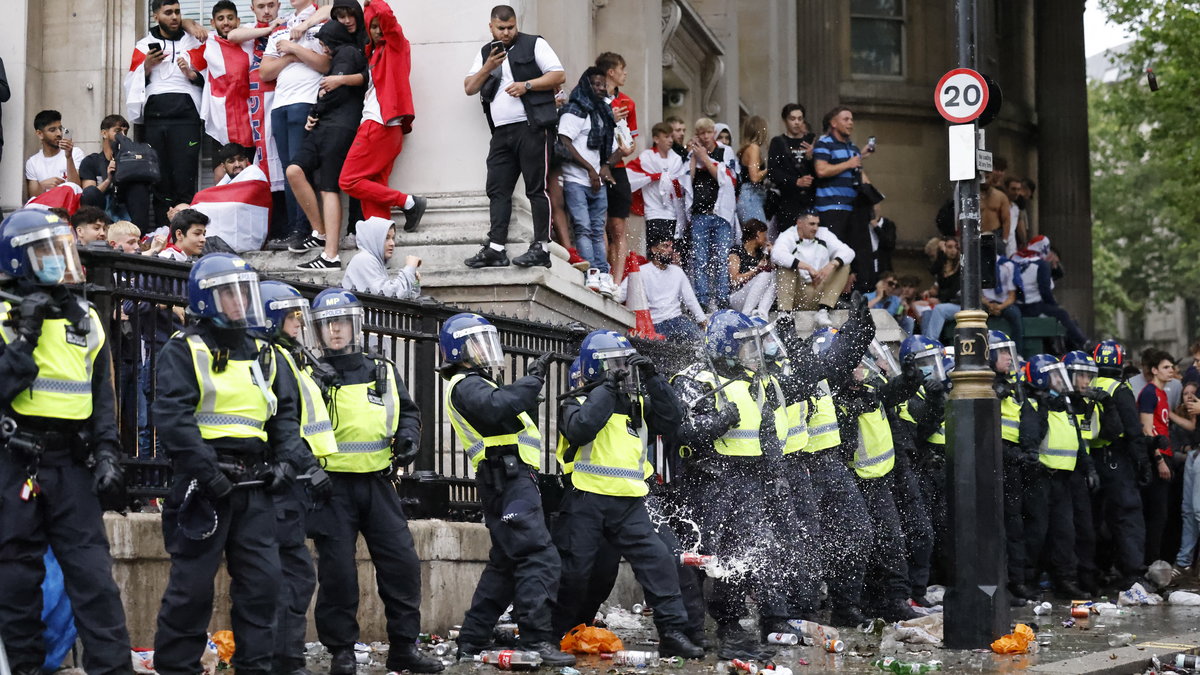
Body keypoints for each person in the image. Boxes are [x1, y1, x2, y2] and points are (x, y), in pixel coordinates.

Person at [151, 253, 312, 673]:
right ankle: (177, 668)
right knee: (191, 589)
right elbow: (173, 419)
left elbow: (285, 418)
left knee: (263, 587)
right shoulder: (186, 348)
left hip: (256, 486)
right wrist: (207, 473)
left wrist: (286, 465)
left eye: (244, 292)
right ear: (206, 300)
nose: (240, 301)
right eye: (229, 293)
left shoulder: (266, 351)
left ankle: (255, 668)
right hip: (203, 484)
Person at [0, 209, 131, 673]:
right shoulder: (2, 315)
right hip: (15, 460)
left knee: (95, 580)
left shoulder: (87, 318)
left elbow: (102, 398)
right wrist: (25, 338)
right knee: (17, 580)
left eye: (63, 251)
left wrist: (109, 453)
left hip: (72, 463)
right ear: (19, 260)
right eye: (46, 252)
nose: (59, 261)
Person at [305, 289, 442, 674]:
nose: (335, 330)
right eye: (328, 324)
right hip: (331, 487)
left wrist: (409, 439)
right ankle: (342, 652)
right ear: (319, 330)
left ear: (354, 325)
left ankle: (404, 647)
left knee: (402, 566)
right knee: (338, 576)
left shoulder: (380, 367)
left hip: (379, 484)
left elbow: (408, 412)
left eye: (341, 322)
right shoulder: (312, 374)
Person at [551, 330, 703, 658]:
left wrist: (654, 379)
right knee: (578, 573)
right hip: (587, 499)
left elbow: (672, 419)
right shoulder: (575, 401)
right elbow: (583, 427)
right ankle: (555, 634)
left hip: (630, 502)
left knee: (659, 561)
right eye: (614, 364)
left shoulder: (636, 404)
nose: (622, 370)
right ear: (597, 369)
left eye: (625, 364)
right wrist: (608, 387)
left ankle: (673, 632)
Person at [438, 313, 574, 666]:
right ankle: (536, 639)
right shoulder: (466, 383)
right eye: (475, 343)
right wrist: (532, 381)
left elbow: (500, 414)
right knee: (537, 556)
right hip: (505, 479)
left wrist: (522, 396)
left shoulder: (475, 382)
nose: (485, 350)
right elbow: (497, 407)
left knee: (505, 565)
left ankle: (470, 640)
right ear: (458, 351)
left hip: (508, 479)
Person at [670, 311, 795, 656]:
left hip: (747, 479)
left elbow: (765, 429)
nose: (752, 352)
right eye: (745, 345)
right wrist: (719, 420)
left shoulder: (751, 378)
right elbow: (684, 430)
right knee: (701, 554)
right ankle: (690, 630)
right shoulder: (695, 377)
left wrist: (776, 473)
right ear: (726, 345)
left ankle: (731, 622)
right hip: (707, 480)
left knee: (748, 551)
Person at [256, 281, 336, 675]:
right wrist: (305, 466)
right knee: (291, 573)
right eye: (291, 317)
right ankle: (284, 660)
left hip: (298, 477)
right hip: (284, 476)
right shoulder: (273, 357)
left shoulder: (290, 357)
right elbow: (281, 424)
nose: (298, 325)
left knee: (293, 573)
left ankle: (285, 658)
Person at [463, 4, 566, 269]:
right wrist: (488, 66)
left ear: (516, 24)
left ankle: (541, 247)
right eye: (501, 28)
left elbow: (558, 74)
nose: (507, 33)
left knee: (536, 188)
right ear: (491, 27)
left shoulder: (534, 44)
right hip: (501, 132)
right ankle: (496, 247)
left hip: (531, 126)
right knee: (497, 188)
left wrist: (527, 85)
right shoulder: (487, 52)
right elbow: (469, 87)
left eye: (511, 28)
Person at [830, 330, 923, 621]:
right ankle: (857, 604)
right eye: (855, 365)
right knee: (862, 543)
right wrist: (850, 413)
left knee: (891, 540)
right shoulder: (837, 397)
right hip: (854, 480)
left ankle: (894, 600)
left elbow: (894, 392)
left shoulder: (870, 389)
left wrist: (910, 379)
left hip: (880, 478)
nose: (861, 369)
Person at [336, 0, 429, 231]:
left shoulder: (396, 46)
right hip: (385, 128)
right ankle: (379, 240)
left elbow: (388, 18)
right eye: (373, 27)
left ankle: (408, 203)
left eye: (381, 26)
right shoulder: (375, 52)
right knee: (373, 188)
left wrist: (373, 2)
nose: (378, 31)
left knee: (348, 180)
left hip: (378, 125)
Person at [286, 16, 369, 270]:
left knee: (329, 187)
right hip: (325, 126)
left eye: (323, 43)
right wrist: (316, 111)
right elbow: (327, 91)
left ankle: (330, 255)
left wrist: (318, 106)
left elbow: (336, 91)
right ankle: (319, 233)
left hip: (339, 127)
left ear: (333, 39)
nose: (322, 48)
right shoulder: (341, 56)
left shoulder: (347, 53)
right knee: (294, 170)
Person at [259, 0, 331, 247]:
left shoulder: (321, 21)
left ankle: (308, 230)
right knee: (288, 168)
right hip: (280, 104)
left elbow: (325, 63)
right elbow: (265, 71)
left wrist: (293, 48)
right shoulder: (281, 26)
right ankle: (294, 229)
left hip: (306, 101)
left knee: (300, 168)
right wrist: (290, 57)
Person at [124, 0, 206, 215]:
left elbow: (210, 76)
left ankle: (186, 229)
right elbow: (131, 82)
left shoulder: (193, 42)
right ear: (155, 16)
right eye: (168, 12)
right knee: (159, 178)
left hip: (186, 116)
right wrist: (147, 67)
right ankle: (161, 232)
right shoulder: (144, 45)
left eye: (178, 12)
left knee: (185, 176)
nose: (174, 17)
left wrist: (192, 74)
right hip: (155, 118)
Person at [1019, 354, 1089, 599]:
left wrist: (1086, 465)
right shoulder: (1034, 405)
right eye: (1055, 375)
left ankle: (1065, 579)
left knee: (1064, 532)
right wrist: (1043, 409)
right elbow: (1030, 440)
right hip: (1040, 477)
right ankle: (1029, 579)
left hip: (1063, 478)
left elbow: (1077, 437)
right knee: (1036, 533)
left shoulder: (1066, 403)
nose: (1061, 380)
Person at [558, 67, 625, 295]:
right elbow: (564, 141)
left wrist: (604, 167)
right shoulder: (575, 110)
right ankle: (591, 273)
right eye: (595, 84)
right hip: (576, 180)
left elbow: (616, 150)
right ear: (586, 84)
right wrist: (590, 169)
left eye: (602, 84)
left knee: (598, 229)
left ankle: (603, 274)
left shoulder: (603, 113)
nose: (599, 88)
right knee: (583, 228)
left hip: (597, 182)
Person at [1090, 340, 1150, 591]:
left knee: (1097, 517)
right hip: (1117, 459)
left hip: (1092, 458)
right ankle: (1133, 574)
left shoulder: (1090, 384)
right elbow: (1133, 430)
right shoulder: (1119, 389)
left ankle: (1101, 570)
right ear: (1120, 362)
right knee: (1127, 515)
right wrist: (1143, 463)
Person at [988, 330, 1035, 603]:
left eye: (1010, 352)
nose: (1009, 358)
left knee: (1014, 526)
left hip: (1013, 461)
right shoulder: (984, 382)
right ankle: (1001, 585)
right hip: (995, 460)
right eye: (1003, 352)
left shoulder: (1015, 384)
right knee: (998, 528)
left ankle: (1016, 583)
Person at [683, 117, 737, 312]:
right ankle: (703, 298)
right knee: (700, 258)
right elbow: (687, 180)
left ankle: (723, 297)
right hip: (700, 213)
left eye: (708, 133)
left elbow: (727, 179)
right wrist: (693, 156)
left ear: (713, 132)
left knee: (722, 258)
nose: (706, 137)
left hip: (721, 213)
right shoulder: (693, 153)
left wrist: (705, 158)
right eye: (702, 133)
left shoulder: (725, 151)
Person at [613, 235, 706, 342]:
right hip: (654, 324)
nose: (670, 250)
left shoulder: (677, 271)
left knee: (700, 342)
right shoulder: (641, 272)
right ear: (654, 250)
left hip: (678, 321)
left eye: (671, 247)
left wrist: (703, 322)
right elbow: (620, 295)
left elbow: (690, 300)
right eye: (665, 246)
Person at [770, 209, 853, 325]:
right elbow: (776, 255)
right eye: (811, 224)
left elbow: (849, 252)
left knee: (844, 265)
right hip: (798, 293)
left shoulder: (823, 233)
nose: (815, 228)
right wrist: (806, 267)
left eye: (817, 224)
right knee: (785, 266)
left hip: (820, 290)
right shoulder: (788, 235)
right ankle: (784, 314)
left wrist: (831, 264)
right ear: (799, 223)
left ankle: (824, 310)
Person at [597, 52, 638, 282]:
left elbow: (631, 141)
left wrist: (628, 145)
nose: (626, 74)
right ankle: (603, 274)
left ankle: (617, 281)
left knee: (618, 227)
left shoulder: (628, 102)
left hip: (619, 166)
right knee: (598, 224)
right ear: (611, 72)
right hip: (596, 165)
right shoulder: (593, 98)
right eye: (622, 69)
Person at [1139, 349, 1181, 565]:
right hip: (1157, 458)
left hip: (1167, 454)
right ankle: (1150, 563)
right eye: (1165, 367)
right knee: (1156, 515)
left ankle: (1156, 563)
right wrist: (1159, 460)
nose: (1170, 371)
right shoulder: (1149, 393)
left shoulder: (1163, 394)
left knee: (1163, 514)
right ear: (1154, 370)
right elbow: (1147, 430)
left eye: (1172, 367)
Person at [79, 114, 155, 233]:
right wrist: (108, 180)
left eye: (125, 132)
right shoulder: (91, 161)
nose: (122, 136)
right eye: (118, 131)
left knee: (139, 186)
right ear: (104, 133)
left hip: (127, 212)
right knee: (90, 192)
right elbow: (89, 195)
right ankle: (96, 232)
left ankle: (138, 237)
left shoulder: (132, 160)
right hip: (103, 212)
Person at [627, 121, 685, 247]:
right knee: (656, 250)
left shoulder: (676, 159)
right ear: (656, 139)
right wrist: (652, 177)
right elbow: (630, 175)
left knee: (671, 251)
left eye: (671, 136)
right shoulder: (647, 157)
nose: (670, 140)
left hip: (673, 213)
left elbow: (682, 184)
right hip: (653, 212)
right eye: (666, 137)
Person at [341, 216, 421, 299]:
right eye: (386, 238)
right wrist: (409, 268)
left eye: (393, 238)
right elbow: (389, 295)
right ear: (373, 239)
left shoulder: (375, 261)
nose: (392, 243)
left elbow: (407, 299)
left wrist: (415, 281)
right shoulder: (364, 259)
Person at [767, 103, 816, 230]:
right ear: (785, 120)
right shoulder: (778, 143)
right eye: (792, 119)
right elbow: (773, 172)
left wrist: (812, 158)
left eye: (800, 119)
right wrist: (796, 181)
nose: (797, 122)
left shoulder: (811, 141)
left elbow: (821, 172)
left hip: (810, 201)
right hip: (787, 201)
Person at [25, 110, 84, 198]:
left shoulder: (75, 153)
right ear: (40, 134)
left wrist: (69, 157)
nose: (59, 133)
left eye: (60, 128)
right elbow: (32, 197)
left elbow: (77, 188)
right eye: (52, 130)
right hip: (45, 209)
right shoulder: (32, 162)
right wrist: (43, 185)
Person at [726, 219, 774, 319]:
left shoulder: (761, 254)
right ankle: (746, 315)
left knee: (774, 275)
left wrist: (771, 254)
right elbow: (735, 280)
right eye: (764, 234)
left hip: (754, 299)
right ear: (757, 235)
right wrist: (756, 270)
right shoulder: (736, 251)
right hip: (737, 297)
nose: (766, 238)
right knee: (765, 274)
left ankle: (762, 314)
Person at [920, 236, 962, 341]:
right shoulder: (942, 267)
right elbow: (933, 270)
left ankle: (931, 342)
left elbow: (954, 290)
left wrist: (939, 300)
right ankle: (924, 344)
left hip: (959, 304)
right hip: (946, 303)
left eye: (955, 247)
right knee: (927, 312)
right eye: (949, 247)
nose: (953, 250)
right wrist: (941, 253)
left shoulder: (961, 267)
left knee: (939, 309)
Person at [983, 256, 1024, 348]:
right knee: (977, 315)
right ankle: (980, 350)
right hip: (986, 303)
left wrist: (999, 307)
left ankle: (1017, 352)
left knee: (1015, 314)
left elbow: (1012, 296)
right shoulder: (979, 264)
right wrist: (989, 305)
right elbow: (977, 293)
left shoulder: (1009, 265)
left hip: (1004, 303)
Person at [736, 116, 769, 224]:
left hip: (748, 196)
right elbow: (754, 177)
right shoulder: (753, 148)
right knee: (758, 236)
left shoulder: (746, 149)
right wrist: (771, 169)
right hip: (750, 196)